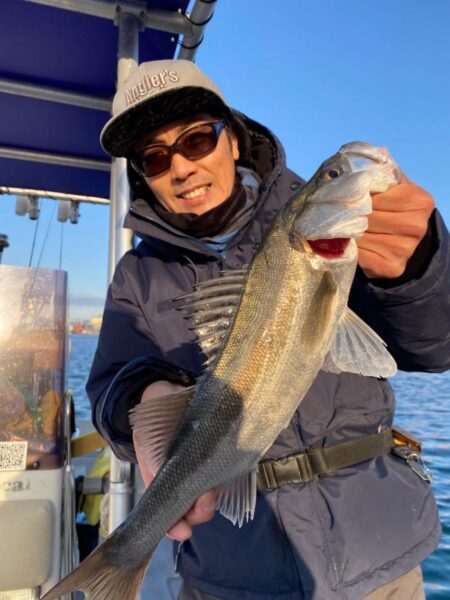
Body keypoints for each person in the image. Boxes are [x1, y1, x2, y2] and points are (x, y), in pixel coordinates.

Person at [87, 59, 450, 600]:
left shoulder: (334, 229)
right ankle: (120, 562)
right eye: (155, 157)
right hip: (229, 567)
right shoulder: (137, 275)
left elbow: (436, 347)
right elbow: (109, 387)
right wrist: (145, 399)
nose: (180, 167)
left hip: (377, 554)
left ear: (233, 138)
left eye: (196, 140)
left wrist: (417, 267)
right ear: (143, 175)